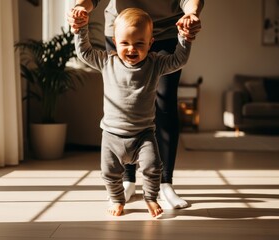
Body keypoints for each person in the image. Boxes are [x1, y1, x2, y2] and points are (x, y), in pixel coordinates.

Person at [68, 0, 204, 209]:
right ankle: (126, 184)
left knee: (165, 104)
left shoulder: (156, 62)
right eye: (125, 45)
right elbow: (85, 52)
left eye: (138, 45)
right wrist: (80, 21)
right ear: (116, 42)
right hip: (121, 25)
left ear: (149, 45)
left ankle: (163, 186)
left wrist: (186, 32)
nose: (131, 49)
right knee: (109, 171)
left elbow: (179, 59)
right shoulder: (107, 61)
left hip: (168, 28)